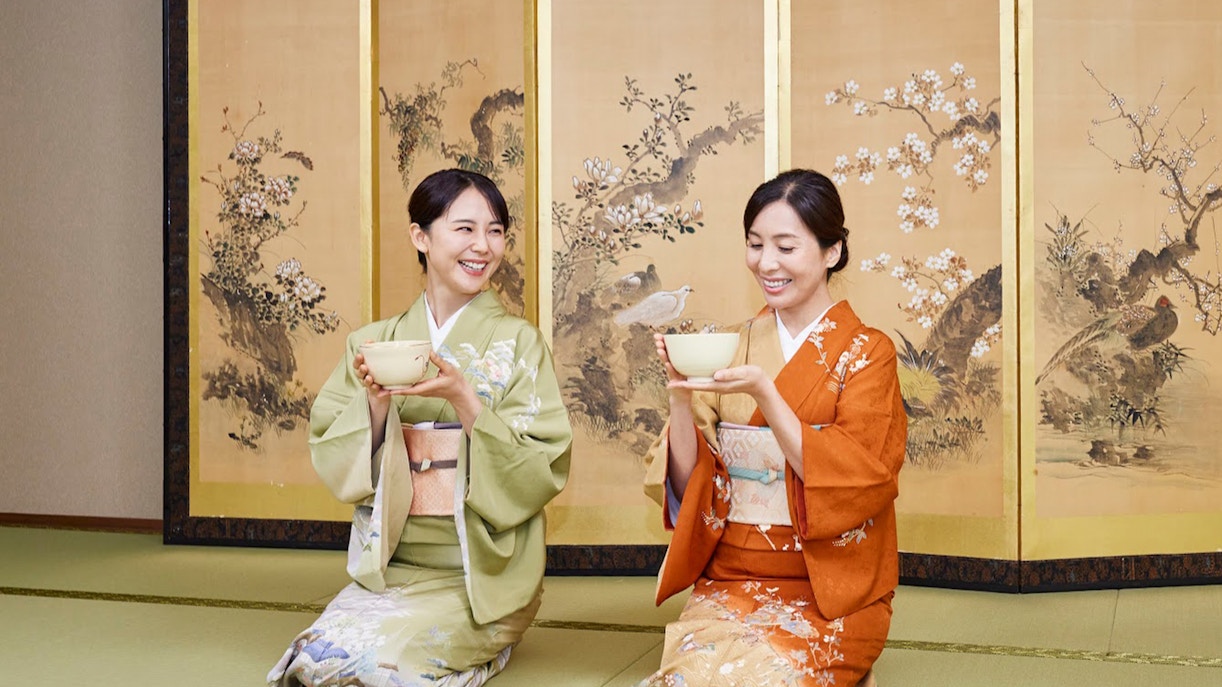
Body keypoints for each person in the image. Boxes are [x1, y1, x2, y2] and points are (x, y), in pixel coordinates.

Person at [268, 168, 573, 687]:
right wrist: (376, 404)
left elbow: (541, 469)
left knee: (385, 671)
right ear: (420, 236)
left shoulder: (521, 345)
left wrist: (466, 401)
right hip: (392, 567)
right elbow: (335, 456)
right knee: (315, 662)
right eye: (465, 229)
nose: (483, 246)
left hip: (481, 576)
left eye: (496, 230)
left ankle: (483, 645)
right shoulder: (373, 341)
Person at [638, 169, 906, 687]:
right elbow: (693, 481)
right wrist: (679, 396)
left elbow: (862, 479)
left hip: (831, 588)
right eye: (756, 244)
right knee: (687, 681)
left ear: (832, 251)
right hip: (733, 580)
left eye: (786, 246)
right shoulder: (732, 343)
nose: (767, 263)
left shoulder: (867, 353)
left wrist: (767, 394)